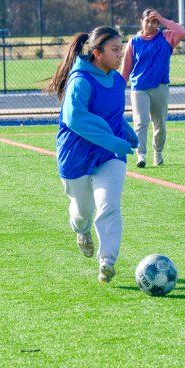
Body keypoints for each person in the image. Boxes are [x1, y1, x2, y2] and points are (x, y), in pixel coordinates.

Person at [43, 26, 138, 284]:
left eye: (121, 48)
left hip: (110, 155)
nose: (121, 54)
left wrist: (127, 133)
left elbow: (112, 115)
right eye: (115, 50)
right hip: (76, 156)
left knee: (109, 205)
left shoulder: (118, 81)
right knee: (82, 212)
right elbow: (76, 118)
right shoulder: (80, 81)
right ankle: (81, 231)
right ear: (97, 53)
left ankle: (107, 260)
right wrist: (112, 139)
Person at [120, 9, 185, 168]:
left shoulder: (166, 37)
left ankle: (158, 153)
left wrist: (162, 18)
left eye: (154, 22)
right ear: (141, 21)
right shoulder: (133, 42)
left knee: (160, 124)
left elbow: (182, 32)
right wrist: (118, 88)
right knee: (141, 122)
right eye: (147, 21)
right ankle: (141, 155)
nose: (150, 24)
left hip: (160, 87)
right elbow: (126, 69)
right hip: (139, 88)